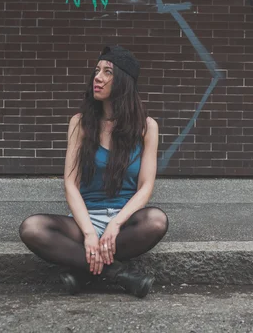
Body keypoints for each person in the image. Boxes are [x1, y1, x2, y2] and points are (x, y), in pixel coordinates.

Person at [19, 45, 168, 298]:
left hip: (123, 223)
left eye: (107, 72)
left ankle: (83, 271)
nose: (97, 77)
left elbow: (145, 187)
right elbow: (70, 184)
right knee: (32, 228)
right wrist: (89, 232)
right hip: (83, 220)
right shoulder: (80, 123)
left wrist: (115, 224)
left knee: (156, 221)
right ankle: (119, 273)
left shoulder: (147, 127)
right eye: (97, 70)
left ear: (123, 82)